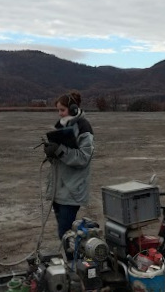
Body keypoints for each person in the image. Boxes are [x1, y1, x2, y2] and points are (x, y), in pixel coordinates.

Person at [43, 91, 94, 243]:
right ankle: (71, 261)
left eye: (62, 110)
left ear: (72, 109)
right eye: (58, 110)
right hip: (58, 190)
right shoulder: (61, 126)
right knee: (64, 234)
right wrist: (51, 153)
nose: (59, 114)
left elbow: (83, 158)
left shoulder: (84, 127)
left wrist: (59, 150)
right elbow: (61, 158)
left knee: (66, 235)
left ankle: (73, 263)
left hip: (72, 190)